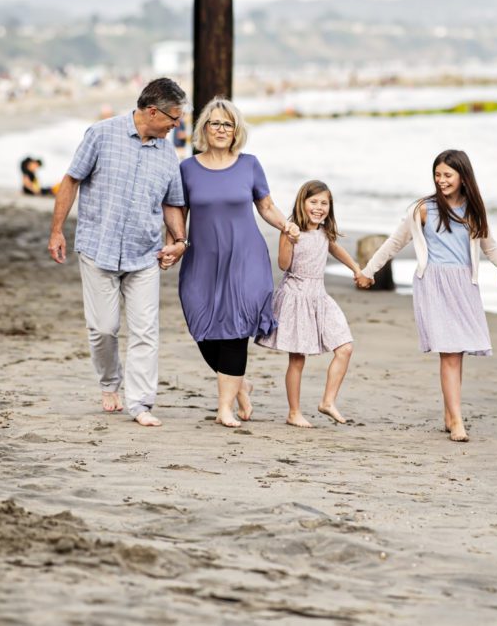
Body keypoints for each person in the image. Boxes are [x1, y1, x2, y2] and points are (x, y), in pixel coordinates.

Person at [47, 77, 189, 428]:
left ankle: (140, 403)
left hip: (145, 254)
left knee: (145, 331)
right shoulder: (101, 134)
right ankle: (110, 382)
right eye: (174, 118)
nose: (176, 125)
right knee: (104, 328)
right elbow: (71, 180)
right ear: (153, 112)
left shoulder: (168, 154)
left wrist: (179, 240)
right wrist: (57, 230)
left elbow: (172, 202)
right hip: (99, 247)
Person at [358, 150, 497, 442]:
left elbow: (490, 248)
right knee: (450, 353)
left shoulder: (474, 210)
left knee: (457, 352)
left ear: (463, 177)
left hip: (465, 285)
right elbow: (395, 242)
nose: (441, 180)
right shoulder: (423, 209)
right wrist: (368, 270)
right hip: (434, 283)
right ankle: (457, 421)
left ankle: (449, 414)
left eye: (447, 175)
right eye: (437, 174)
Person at [161, 97, 299, 429]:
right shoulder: (187, 169)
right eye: (216, 123)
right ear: (204, 129)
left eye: (228, 124)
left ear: (236, 131)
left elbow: (266, 206)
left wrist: (286, 225)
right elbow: (178, 212)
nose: (222, 129)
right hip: (202, 260)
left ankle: (224, 408)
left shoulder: (249, 164)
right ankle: (239, 383)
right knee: (203, 328)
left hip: (245, 258)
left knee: (235, 329)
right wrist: (173, 246)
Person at [256, 180, 360, 427]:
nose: (319, 207)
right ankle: (294, 412)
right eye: (313, 202)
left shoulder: (324, 231)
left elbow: (335, 249)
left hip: (319, 297)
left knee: (345, 347)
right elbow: (283, 265)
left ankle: (327, 401)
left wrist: (356, 268)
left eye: (324, 203)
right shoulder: (291, 230)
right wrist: (289, 239)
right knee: (297, 359)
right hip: (296, 297)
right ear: (302, 203)